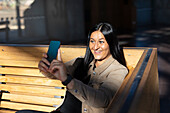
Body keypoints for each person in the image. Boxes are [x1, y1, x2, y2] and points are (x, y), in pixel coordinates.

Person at [16, 22, 128, 113]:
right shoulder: (81, 62)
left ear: (111, 43)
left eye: (101, 42)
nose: (95, 47)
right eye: (92, 41)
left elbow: (103, 100)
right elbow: (57, 73)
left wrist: (68, 81)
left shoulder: (117, 70)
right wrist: (47, 68)